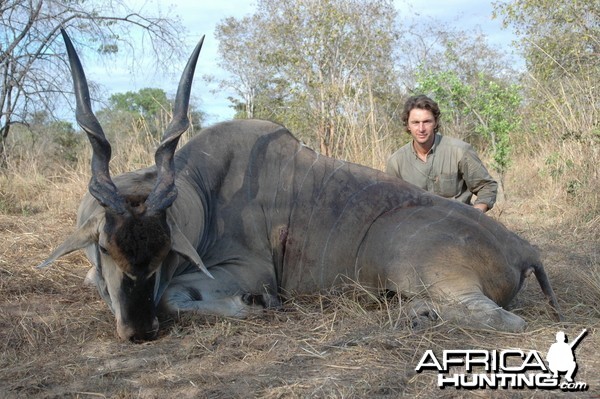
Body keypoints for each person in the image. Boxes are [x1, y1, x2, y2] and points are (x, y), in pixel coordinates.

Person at [386, 95, 497, 212]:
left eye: (427, 121)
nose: (421, 128)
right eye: (415, 122)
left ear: (435, 122)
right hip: (417, 224)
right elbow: (391, 201)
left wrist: (476, 214)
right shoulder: (396, 162)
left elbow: (486, 186)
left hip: (458, 220)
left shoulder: (460, 151)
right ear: (408, 125)